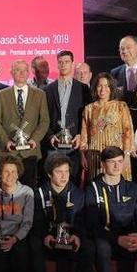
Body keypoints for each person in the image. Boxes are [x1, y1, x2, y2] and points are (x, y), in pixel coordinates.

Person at [29, 153, 91, 272]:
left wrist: (76, 236)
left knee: (89, 247)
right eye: (59, 172)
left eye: (67, 172)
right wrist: (45, 235)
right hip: (48, 238)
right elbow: (36, 221)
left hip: (69, 239)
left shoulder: (77, 194)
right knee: (34, 243)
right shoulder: (39, 194)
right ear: (49, 174)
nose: (64, 176)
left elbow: (82, 221)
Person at [0, 59, 50, 187]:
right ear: (12, 73)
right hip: (8, 151)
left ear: (29, 73)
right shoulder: (1, 95)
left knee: (29, 189)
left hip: (30, 151)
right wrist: (6, 141)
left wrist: (35, 139)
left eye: (24, 70)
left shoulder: (40, 94)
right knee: (6, 188)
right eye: (18, 70)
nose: (21, 73)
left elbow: (44, 121)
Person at [44, 50, 91, 182]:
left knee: (73, 181)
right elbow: (43, 117)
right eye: (60, 62)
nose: (63, 65)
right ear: (57, 65)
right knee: (53, 181)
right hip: (54, 145)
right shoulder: (47, 89)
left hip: (74, 145)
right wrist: (50, 136)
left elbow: (88, 116)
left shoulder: (83, 89)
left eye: (67, 62)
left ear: (72, 64)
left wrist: (80, 135)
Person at [80, 72, 134, 182]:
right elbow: (84, 135)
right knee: (97, 187)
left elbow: (128, 131)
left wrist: (127, 155)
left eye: (106, 86)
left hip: (116, 156)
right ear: (95, 88)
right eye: (100, 86)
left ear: (111, 88)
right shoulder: (89, 109)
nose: (103, 89)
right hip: (95, 156)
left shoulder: (121, 106)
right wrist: (82, 155)